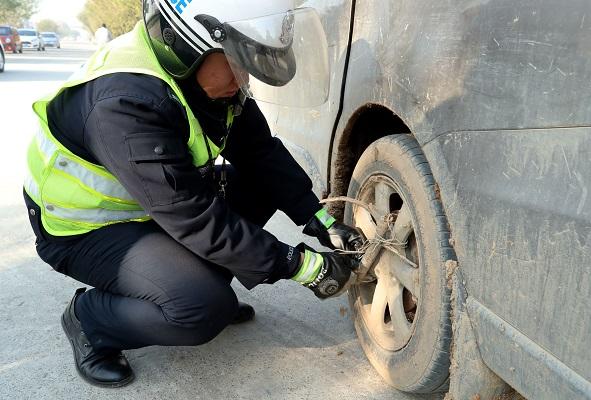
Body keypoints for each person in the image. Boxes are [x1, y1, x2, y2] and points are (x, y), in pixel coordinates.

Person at [24, 0, 364, 388]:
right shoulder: (123, 104)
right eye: (239, 62)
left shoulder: (206, 78)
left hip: (156, 208)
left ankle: (193, 282)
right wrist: (300, 265)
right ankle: (90, 319)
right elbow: (192, 215)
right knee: (200, 308)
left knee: (262, 183)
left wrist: (321, 220)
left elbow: (259, 153)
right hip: (84, 230)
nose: (247, 77)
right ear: (188, 44)